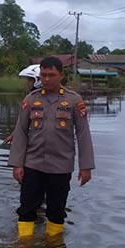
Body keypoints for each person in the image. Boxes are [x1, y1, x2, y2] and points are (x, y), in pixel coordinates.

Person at [8, 56, 95, 238]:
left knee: (56, 211)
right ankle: (25, 247)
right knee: (26, 209)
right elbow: (21, 132)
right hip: (33, 165)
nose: (47, 79)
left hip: (61, 167)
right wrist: (17, 164)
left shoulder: (73, 100)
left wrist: (85, 167)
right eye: (44, 74)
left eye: (51, 75)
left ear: (61, 75)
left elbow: (83, 134)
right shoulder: (31, 99)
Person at [3, 64, 42, 145]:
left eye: (30, 80)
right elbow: (23, 122)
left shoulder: (39, 100)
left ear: (38, 81)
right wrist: (13, 135)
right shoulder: (30, 99)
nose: (27, 83)